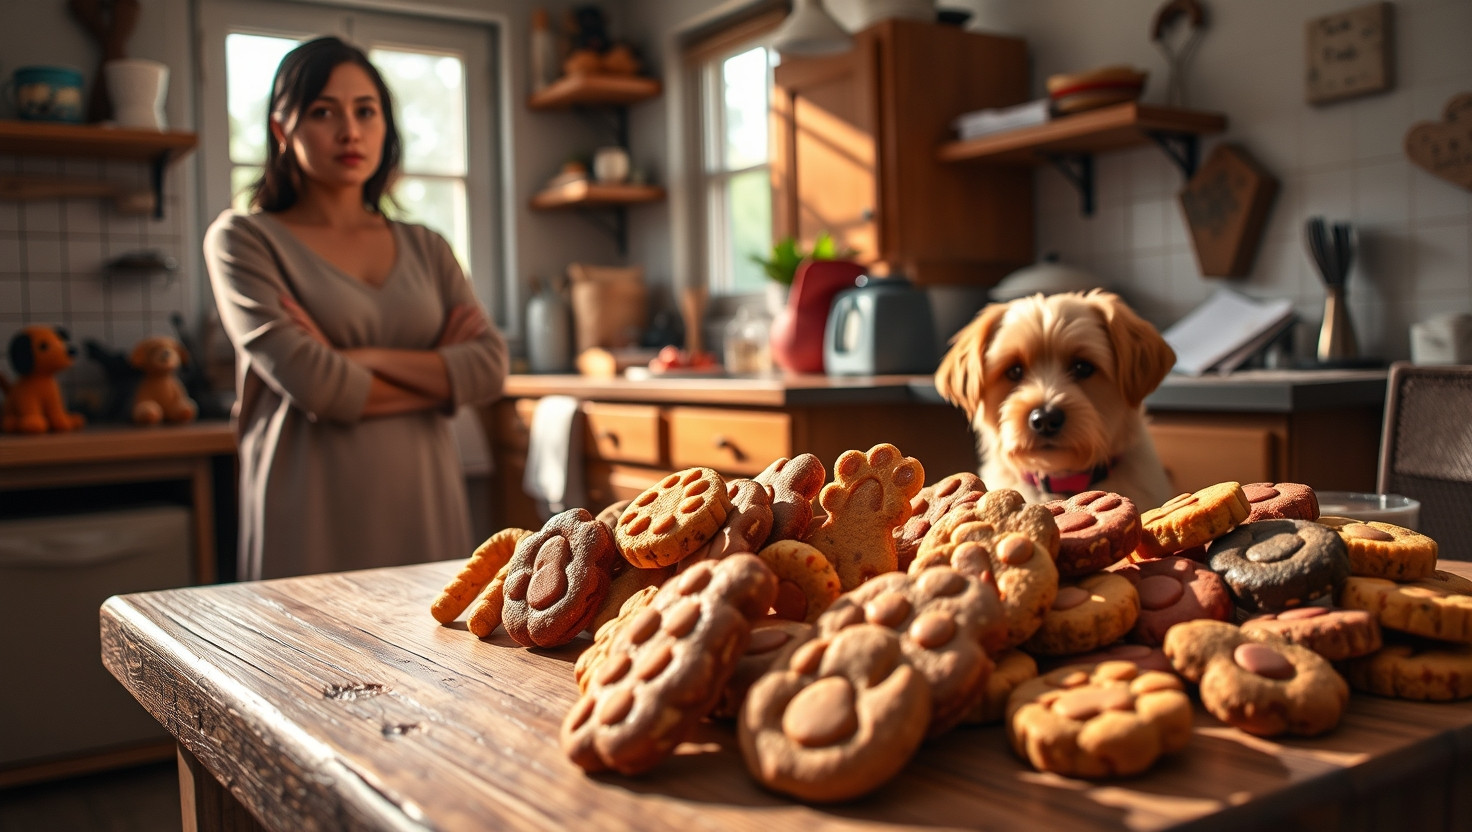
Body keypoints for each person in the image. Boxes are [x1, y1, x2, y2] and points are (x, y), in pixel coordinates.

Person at [204, 36, 508, 581]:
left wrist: (357, 356)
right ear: (282, 129)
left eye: (365, 111)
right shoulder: (243, 239)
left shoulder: (428, 245)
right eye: (323, 112)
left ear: (384, 126)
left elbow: (488, 369)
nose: (350, 131)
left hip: (426, 501)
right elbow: (317, 385)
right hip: (309, 513)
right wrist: (439, 375)